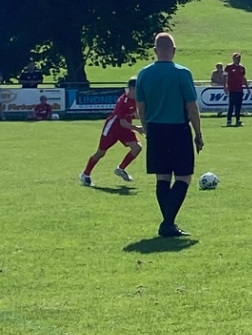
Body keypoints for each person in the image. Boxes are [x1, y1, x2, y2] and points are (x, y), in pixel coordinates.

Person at [134, 33, 204, 238]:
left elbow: (140, 107)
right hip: (177, 129)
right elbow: (191, 106)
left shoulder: (143, 74)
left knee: (162, 177)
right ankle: (167, 223)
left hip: (155, 130)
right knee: (183, 176)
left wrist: (147, 128)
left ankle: (168, 223)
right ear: (174, 50)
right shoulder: (182, 73)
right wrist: (198, 133)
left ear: (155, 51)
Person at [81, 78, 142, 185]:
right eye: (139, 88)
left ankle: (120, 169)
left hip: (125, 128)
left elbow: (136, 113)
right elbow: (122, 122)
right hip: (113, 128)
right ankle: (85, 174)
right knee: (101, 153)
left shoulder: (137, 98)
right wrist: (138, 128)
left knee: (137, 148)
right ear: (132, 88)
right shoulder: (123, 101)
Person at [224, 53, 247, 127]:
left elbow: (243, 78)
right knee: (231, 105)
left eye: (239, 58)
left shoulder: (242, 67)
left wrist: (247, 87)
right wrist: (225, 86)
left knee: (238, 106)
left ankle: (238, 120)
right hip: (232, 89)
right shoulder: (229, 67)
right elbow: (225, 77)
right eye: (236, 58)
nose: (238, 59)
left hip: (239, 89)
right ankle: (229, 120)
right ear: (233, 58)